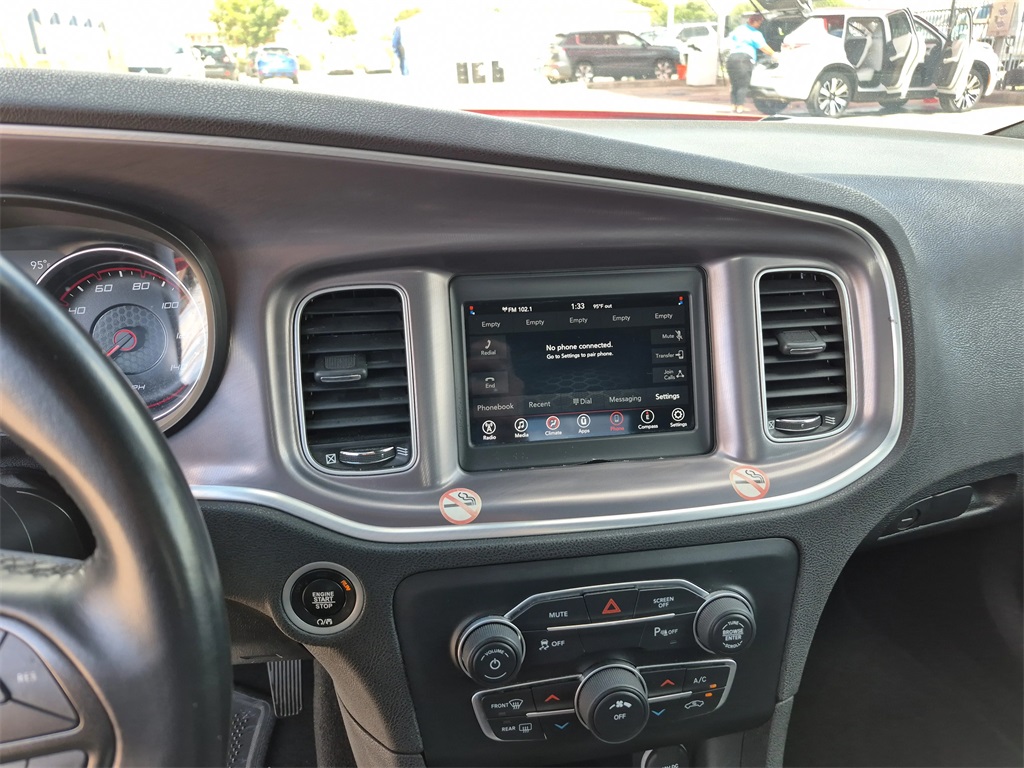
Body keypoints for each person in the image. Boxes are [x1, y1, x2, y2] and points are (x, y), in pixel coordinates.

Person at [725, 13, 776, 113]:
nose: (760, 25)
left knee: (735, 84)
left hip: (731, 59)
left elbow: (729, 40)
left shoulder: (738, 29)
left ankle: (733, 106)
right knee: (743, 85)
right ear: (755, 22)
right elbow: (763, 47)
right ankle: (740, 107)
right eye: (759, 23)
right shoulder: (755, 33)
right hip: (744, 59)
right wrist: (774, 54)